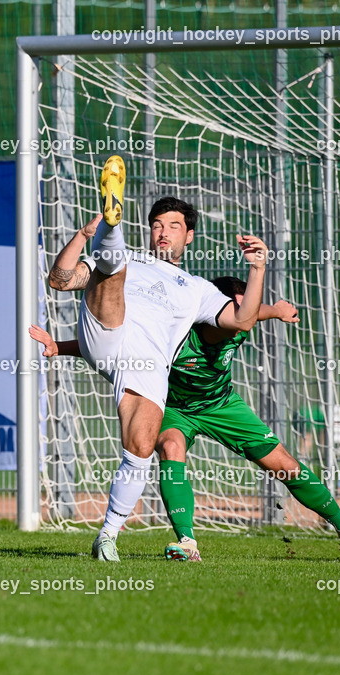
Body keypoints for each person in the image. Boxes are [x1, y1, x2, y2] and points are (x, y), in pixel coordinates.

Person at [32, 276, 340, 561]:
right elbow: (112, 348)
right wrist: (59, 347)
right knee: (170, 447)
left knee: (285, 465)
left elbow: (252, 311)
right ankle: (187, 542)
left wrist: (276, 309)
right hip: (173, 408)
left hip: (221, 405)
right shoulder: (176, 332)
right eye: (235, 309)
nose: (242, 317)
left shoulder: (240, 323)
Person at [47, 155, 267, 562]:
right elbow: (59, 281)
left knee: (141, 448)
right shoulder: (136, 258)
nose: (163, 232)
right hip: (105, 331)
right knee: (114, 269)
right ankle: (111, 228)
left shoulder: (198, 288)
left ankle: (107, 537)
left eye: (174, 226)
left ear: (190, 236)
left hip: (145, 364)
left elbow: (241, 319)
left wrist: (257, 269)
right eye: (157, 225)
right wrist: (82, 236)